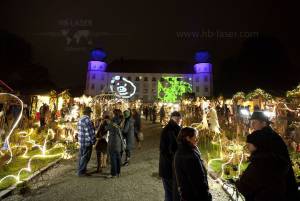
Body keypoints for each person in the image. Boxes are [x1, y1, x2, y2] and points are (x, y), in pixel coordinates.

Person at [236, 111, 299, 201]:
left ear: (264, 123)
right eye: (251, 122)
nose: (252, 125)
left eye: (255, 122)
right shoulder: (266, 135)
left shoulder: (266, 137)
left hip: (270, 186)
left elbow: (265, 164)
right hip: (276, 184)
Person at [174, 127, 212, 201]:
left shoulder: (182, 150)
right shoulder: (189, 156)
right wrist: (206, 197)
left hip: (187, 194)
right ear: (188, 138)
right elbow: (197, 181)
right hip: (194, 196)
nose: (197, 139)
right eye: (195, 137)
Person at [159, 111, 182, 201]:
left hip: (166, 167)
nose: (180, 121)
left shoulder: (168, 129)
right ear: (175, 118)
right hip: (170, 167)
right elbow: (171, 149)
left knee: (169, 193)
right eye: (179, 119)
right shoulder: (173, 130)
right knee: (171, 194)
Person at [77, 107, 96, 176]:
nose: (90, 114)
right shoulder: (87, 120)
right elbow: (89, 133)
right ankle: (81, 172)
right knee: (85, 157)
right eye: (90, 113)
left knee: (82, 156)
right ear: (88, 113)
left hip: (81, 141)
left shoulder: (80, 119)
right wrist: (93, 141)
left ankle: (81, 169)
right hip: (87, 142)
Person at [106, 109, 124, 178]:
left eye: (112, 113)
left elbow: (107, 128)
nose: (111, 114)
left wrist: (106, 123)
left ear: (114, 114)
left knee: (113, 158)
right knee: (118, 157)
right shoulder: (121, 120)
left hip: (113, 142)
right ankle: (118, 172)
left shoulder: (113, 121)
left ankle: (113, 174)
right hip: (119, 142)